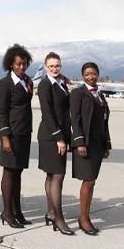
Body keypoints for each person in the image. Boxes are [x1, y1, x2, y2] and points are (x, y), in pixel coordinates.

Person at [70, 62, 112, 235]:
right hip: (85, 144)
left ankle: (85, 216)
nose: (90, 77)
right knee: (88, 180)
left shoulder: (99, 94)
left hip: (98, 144)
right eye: (87, 74)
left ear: (98, 74)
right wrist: (79, 142)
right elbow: (75, 119)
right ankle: (84, 219)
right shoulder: (78, 93)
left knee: (92, 180)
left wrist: (107, 144)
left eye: (93, 73)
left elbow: (104, 121)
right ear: (83, 76)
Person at [0, 44, 34, 228]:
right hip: (11, 134)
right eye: (18, 64)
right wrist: (4, 137)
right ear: (11, 64)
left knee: (18, 173)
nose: (22, 67)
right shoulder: (5, 84)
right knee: (9, 172)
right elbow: (3, 112)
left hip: (24, 133)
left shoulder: (27, 81)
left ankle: (17, 211)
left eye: (24, 64)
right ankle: (7, 212)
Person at [37, 52, 74, 235]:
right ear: (45, 67)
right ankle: (59, 218)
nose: (54, 68)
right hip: (50, 136)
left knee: (52, 175)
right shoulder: (45, 85)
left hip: (58, 135)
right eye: (51, 66)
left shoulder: (60, 83)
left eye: (57, 66)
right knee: (58, 175)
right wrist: (59, 138)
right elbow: (47, 113)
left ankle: (51, 213)